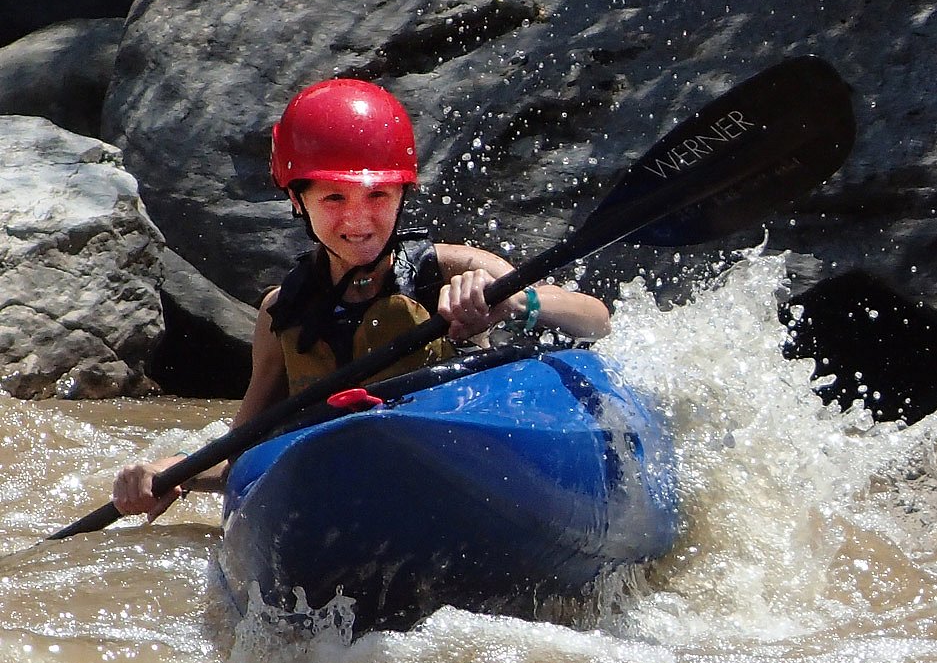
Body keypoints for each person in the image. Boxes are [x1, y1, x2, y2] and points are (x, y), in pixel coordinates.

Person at [112, 78, 611, 520]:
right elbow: (241, 451)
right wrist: (171, 472)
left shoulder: (455, 269)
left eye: (378, 197)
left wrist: (515, 303)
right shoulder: (281, 313)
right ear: (296, 200)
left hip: (463, 479)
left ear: (402, 196)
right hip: (350, 498)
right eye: (334, 199)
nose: (359, 221)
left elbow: (596, 320)